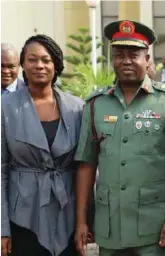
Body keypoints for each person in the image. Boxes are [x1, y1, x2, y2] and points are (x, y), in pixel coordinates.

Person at [74, 20, 165, 256]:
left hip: (154, 227)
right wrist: (82, 220)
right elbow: (86, 164)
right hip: (110, 226)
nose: (126, 60)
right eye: (119, 54)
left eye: (134, 54)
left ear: (147, 59)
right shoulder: (95, 104)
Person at [1, 35, 84, 256]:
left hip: (67, 213)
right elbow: (0, 171)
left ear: (56, 65)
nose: (39, 65)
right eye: (32, 59)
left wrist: (86, 220)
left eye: (46, 60)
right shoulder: (4, 107)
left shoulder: (77, 108)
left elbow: (85, 169)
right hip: (23, 216)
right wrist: (2, 230)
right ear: (22, 65)